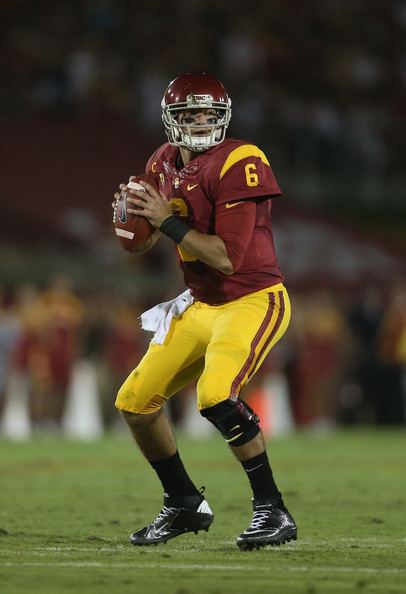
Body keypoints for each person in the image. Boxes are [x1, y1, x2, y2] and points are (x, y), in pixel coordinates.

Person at [113, 71, 297, 550]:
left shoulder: (241, 159)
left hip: (252, 298)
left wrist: (165, 221)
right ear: (170, 119)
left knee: (215, 395)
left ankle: (272, 509)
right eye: (189, 114)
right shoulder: (162, 160)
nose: (199, 122)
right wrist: (132, 224)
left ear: (223, 117)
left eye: (207, 114)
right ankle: (183, 503)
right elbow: (141, 244)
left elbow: (224, 257)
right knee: (135, 402)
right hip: (201, 302)